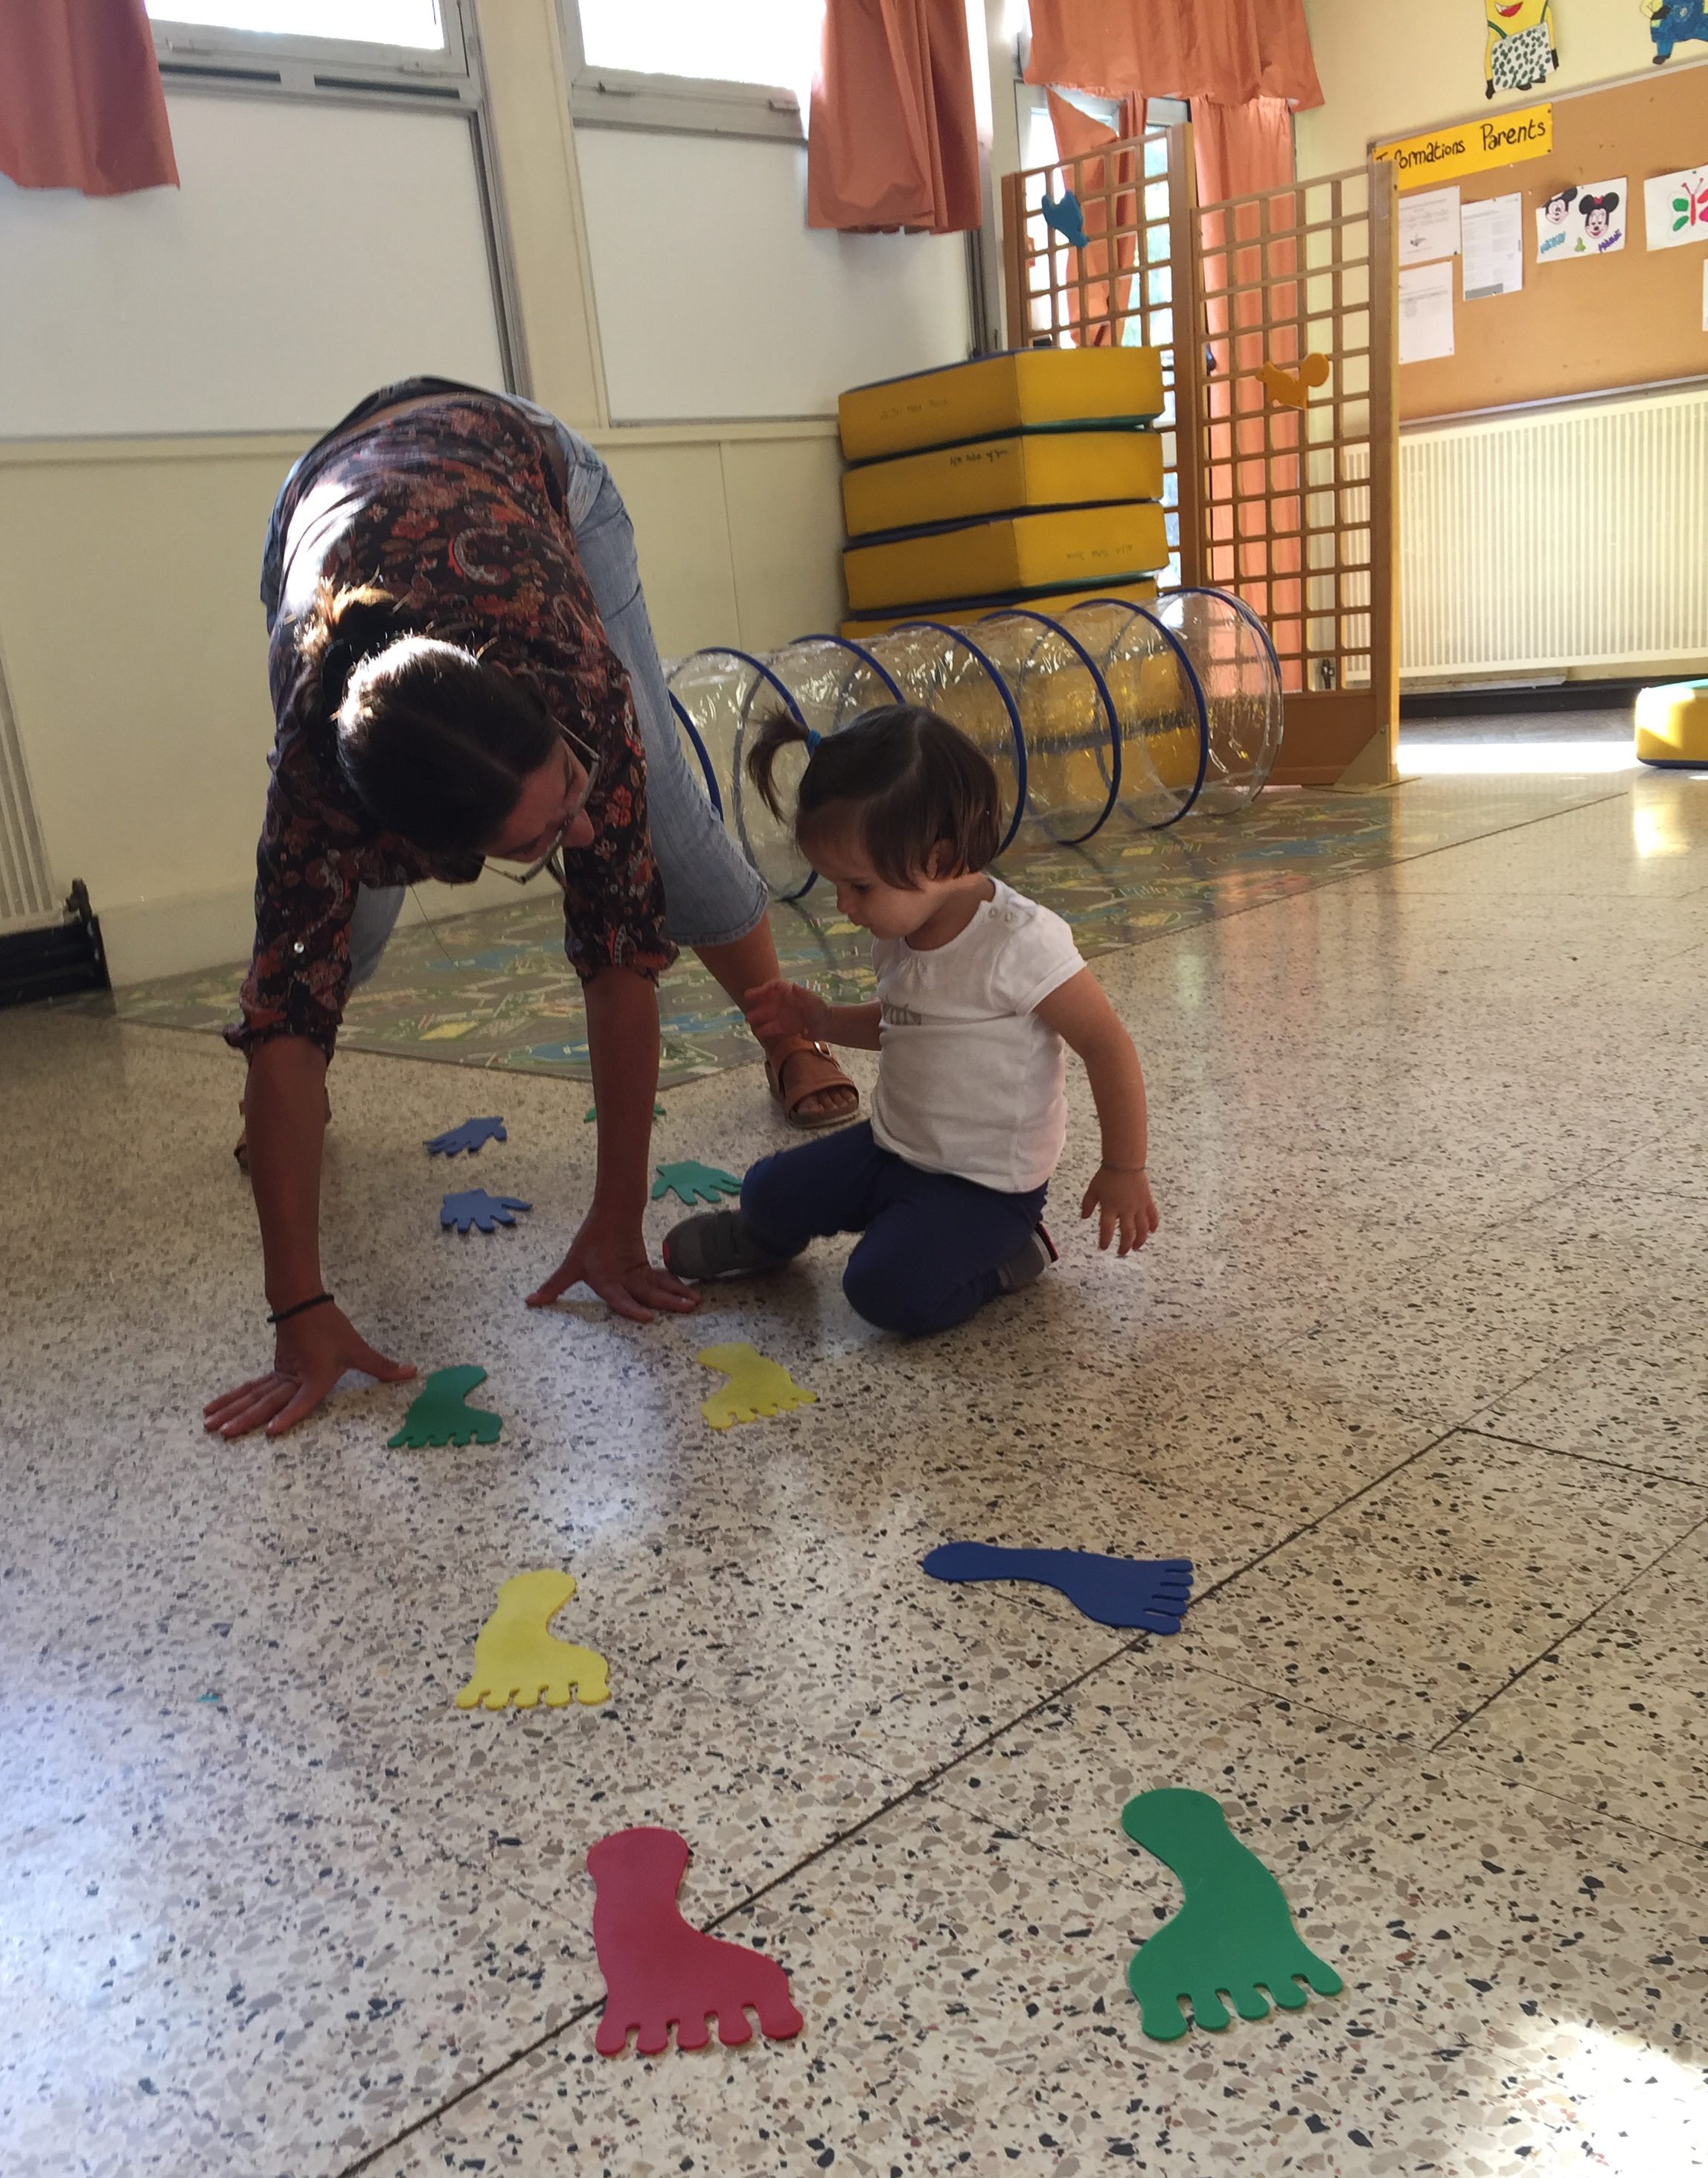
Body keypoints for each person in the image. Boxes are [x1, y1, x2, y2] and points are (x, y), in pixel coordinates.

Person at [204, 379, 858, 1443]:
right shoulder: (316, 801)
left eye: (567, 791)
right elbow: (283, 1017)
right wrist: (298, 1307)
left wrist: (616, 1220)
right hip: (317, 506)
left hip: (524, 465)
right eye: (537, 844)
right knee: (334, 939)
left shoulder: (574, 676)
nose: (581, 833)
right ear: (434, 851)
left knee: (663, 826)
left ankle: (782, 1033)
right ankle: (288, 1127)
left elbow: (618, 957)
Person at [660, 704, 1158, 1336]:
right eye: (835, 884)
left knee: (882, 1291)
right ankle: (765, 1239)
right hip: (892, 1148)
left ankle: (1011, 1257)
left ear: (939, 859)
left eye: (859, 887)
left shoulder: (1019, 942)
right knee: (766, 1189)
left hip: (986, 1189)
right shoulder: (899, 932)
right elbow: (904, 1025)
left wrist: (1124, 1169)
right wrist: (821, 1020)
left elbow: (1107, 1044)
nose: (843, 905)